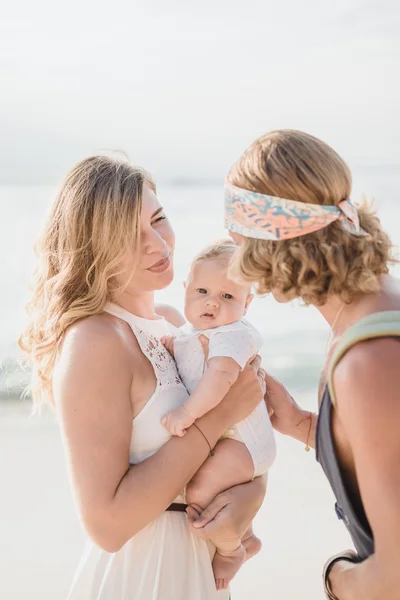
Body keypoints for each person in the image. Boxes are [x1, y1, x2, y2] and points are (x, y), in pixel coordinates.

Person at [18, 156, 267, 600]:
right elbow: (107, 525)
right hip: (145, 576)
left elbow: (244, 430)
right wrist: (218, 414)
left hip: (196, 569)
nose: (158, 243)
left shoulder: (176, 325)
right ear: (92, 249)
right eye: (130, 236)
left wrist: (254, 493)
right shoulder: (95, 340)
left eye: (158, 219)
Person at [220, 129, 400, 600]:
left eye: (235, 233)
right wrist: (304, 426)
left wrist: (336, 578)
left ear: (266, 242)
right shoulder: (376, 308)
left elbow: (395, 577)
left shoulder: (367, 361)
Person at [161, 239, 276, 590]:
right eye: (202, 291)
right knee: (207, 477)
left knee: (199, 492)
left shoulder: (233, 334)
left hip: (246, 444)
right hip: (230, 438)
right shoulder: (189, 333)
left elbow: (220, 378)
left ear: (247, 303)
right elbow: (186, 353)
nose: (212, 301)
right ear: (185, 290)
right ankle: (249, 535)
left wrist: (187, 412)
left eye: (228, 297)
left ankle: (231, 549)